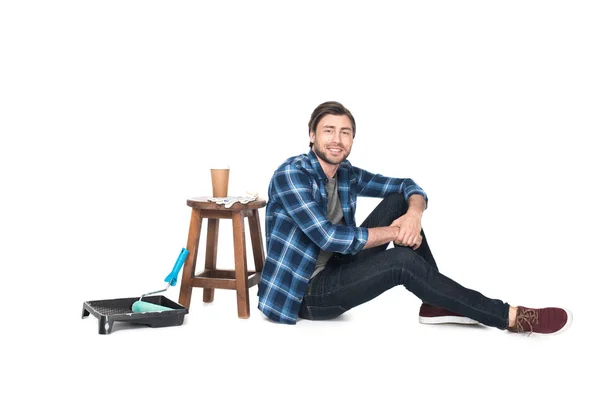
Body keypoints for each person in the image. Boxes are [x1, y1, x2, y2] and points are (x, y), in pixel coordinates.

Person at [257, 101, 572, 335]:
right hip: (305, 294)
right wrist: (395, 233)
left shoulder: (346, 174)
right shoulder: (291, 174)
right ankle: (511, 317)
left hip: (338, 265)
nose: (337, 139)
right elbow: (329, 237)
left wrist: (413, 215)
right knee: (402, 262)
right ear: (312, 135)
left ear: (352, 139)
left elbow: (407, 186)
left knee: (398, 201)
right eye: (328, 131)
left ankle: (436, 301)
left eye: (345, 132)